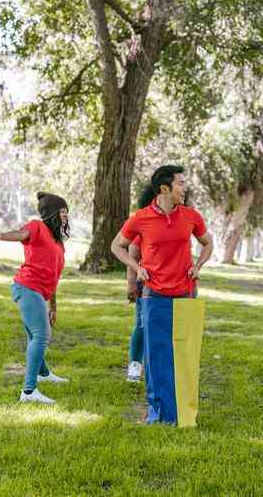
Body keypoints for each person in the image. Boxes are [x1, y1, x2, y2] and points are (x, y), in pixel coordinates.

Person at [111, 165, 213, 424]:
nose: (184, 187)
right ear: (164, 189)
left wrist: (197, 266)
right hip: (154, 296)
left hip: (185, 295)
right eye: (180, 183)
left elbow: (207, 242)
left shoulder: (191, 216)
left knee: (184, 355)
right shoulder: (141, 218)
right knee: (157, 357)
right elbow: (117, 246)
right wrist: (137, 270)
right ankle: (159, 414)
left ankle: (183, 413)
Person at [0, 192, 71, 405]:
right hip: (26, 287)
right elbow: (20, 234)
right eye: (62, 211)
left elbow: (54, 278)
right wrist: (0, 236)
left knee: (35, 336)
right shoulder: (37, 226)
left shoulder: (58, 242)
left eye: (66, 212)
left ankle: (44, 374)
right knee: (42, 335)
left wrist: (53, 307)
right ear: (52, 213)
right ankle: (28, 391)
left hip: (38, 292)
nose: (65, 215)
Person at [125, 239, 144, 382]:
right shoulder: (144, 220)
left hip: (176, 284)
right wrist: (131, 283)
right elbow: (133, 256)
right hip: (147, 282)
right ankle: (135, 364)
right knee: (142, 324)